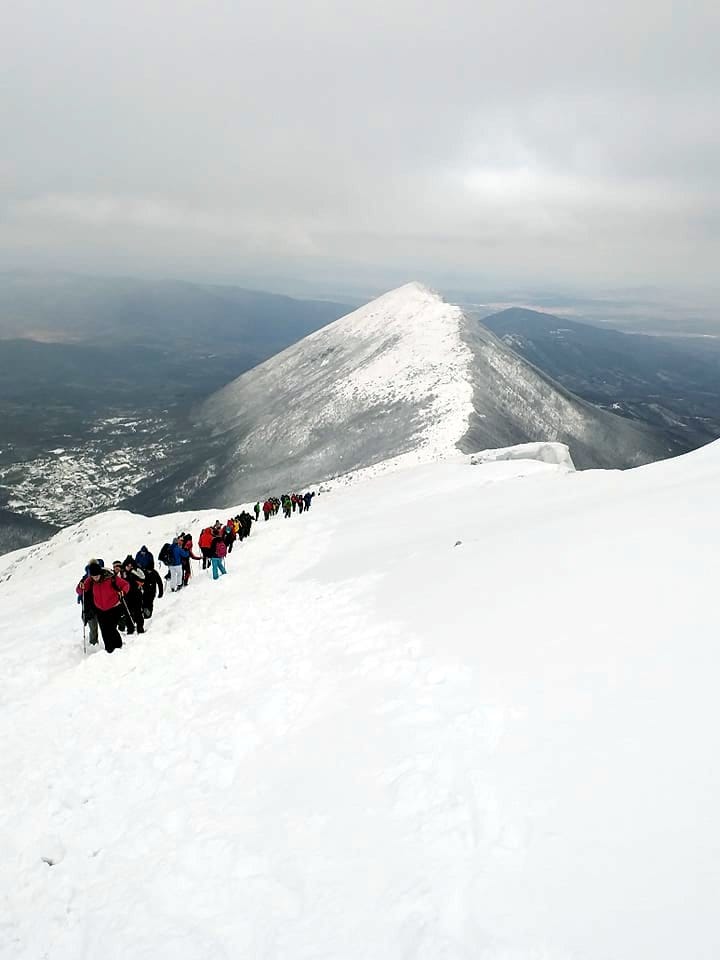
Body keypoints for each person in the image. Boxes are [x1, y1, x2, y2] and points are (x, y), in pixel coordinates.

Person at [76, 561, 130, 653]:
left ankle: (118, 646)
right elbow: (80, 591)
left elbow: (126, 585)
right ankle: (109, 649)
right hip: (100, 609)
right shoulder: (90, 580)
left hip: (114, 607)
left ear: (100, 573)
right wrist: (80, 586)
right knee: (104, 630)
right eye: (93, 576)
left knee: (111, 628)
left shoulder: (111, 577)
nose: (95, 578)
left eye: (97, 576)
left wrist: (123, 592)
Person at [120, 555, 146, 634]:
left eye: (131, 565)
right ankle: (130, 628)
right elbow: (118, 582)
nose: (129, 567)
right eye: (128, 565)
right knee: (128, 612)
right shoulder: (122, 572)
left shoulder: (137, 570)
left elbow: (143, 578)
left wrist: (132, 571)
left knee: (138, 611)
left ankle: (140, 627)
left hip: (136, 594)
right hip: (126, 595)